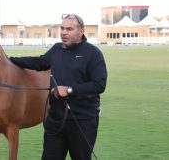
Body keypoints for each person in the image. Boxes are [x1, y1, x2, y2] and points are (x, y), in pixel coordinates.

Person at [10, 14, 107, 160]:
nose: (64, 32)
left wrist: (69, 90)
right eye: (62, 28)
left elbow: (99, 85)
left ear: (81, 31)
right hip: (55, 120)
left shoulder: (93, 54)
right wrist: (9, 60)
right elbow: (40, 62)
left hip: (82, 120)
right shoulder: (57, 49)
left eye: (69, 29)